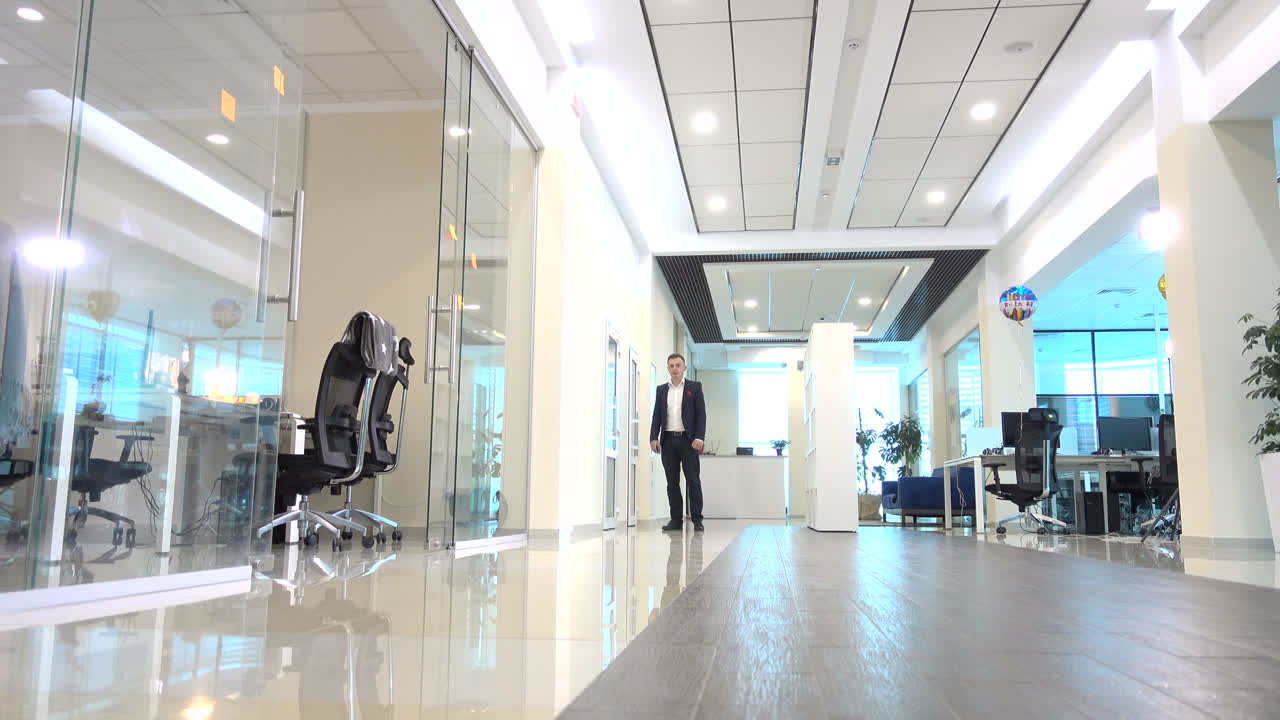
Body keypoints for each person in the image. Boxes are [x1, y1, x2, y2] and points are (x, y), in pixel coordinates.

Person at [649, 353, 706, 532]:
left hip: (688, 441)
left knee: (693, 480)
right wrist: (653, 437)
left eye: (678, 365)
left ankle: (697, 519)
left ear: (684, 368)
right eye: (671, 366)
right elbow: (657, 415)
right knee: (672, 482)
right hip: (668, 441)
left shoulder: (694, 387)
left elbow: (701, 414)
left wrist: (699, 437)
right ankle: (675, 519)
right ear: (668, 368)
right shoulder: (661, 390)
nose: (675, 368)